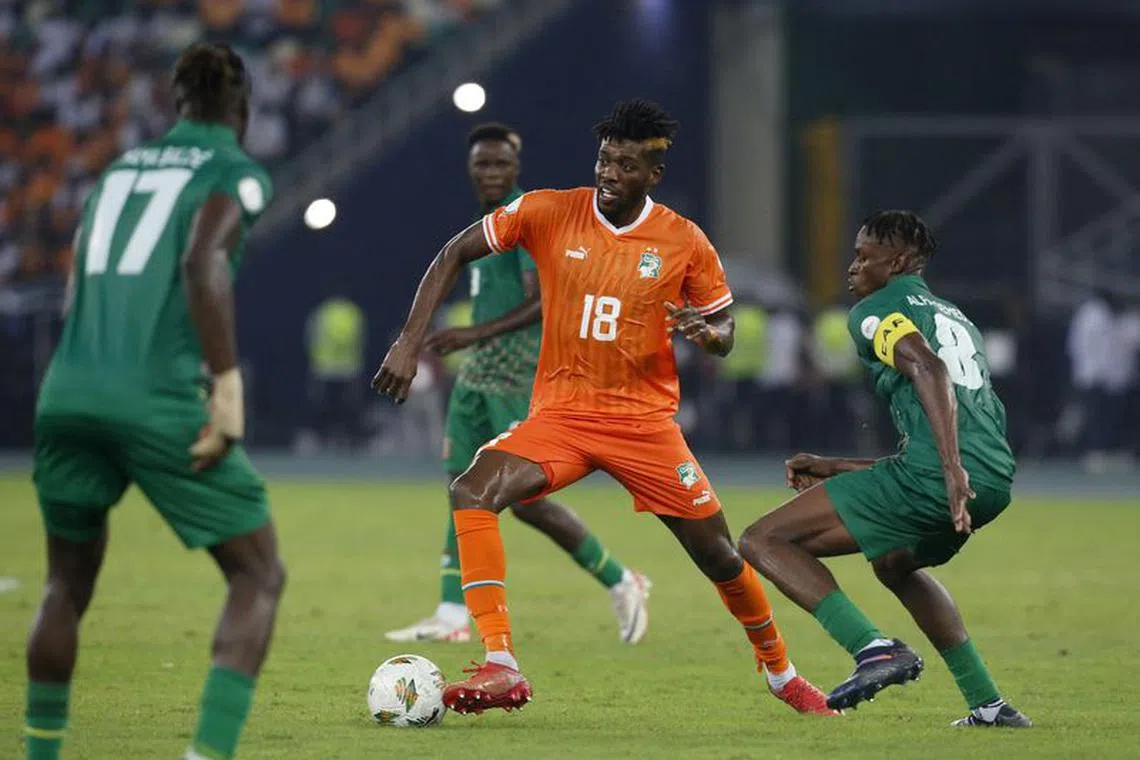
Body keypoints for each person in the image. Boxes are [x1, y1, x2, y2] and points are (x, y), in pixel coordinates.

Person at [372, 99, 834, 717]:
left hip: (643, 424)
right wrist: (407, 342)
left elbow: (722, 324)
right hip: (561, 414)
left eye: (624, 164)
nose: (608, 172)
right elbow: (453, 252)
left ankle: (783, 675)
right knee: (472, 489)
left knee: (720, 555)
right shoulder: (548, 210)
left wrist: (710, 334)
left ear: (652, 175)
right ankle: (502, 664)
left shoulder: (683, 240)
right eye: (603, 159)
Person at [25, 43, 285, 760]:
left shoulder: (118, 172)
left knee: (63, 587)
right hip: (156, 398)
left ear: (175, 102)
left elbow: (84, 283)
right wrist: (227, 388)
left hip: (67, 392)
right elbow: (202, 262)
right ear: (243, 108)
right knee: (258, 573)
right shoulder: (234, 171)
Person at [737, 211, 1032, 727]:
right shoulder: (955, 316)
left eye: (862, 255)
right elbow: (947, 407)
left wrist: (948, 467)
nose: (852, 267)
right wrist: (838, 466)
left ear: (896, 262)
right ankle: (988, 705)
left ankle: (872, 649)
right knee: (895, 564)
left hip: (944, 476)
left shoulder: (877, 309)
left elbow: (928, 367)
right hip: (992, 479)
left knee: (762, 540)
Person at [385, 122, 650, 645]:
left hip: (517, 374)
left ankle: (620, 578)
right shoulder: (486, 223)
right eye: (482, 164)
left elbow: (545, 300)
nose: (490, 172)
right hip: (478, 374)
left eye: (500, 164)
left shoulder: (529, 221)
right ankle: (451, 611)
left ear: (516, 168)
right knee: (461, 485)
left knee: (525, 500)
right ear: (470, 168)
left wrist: (473, 331)